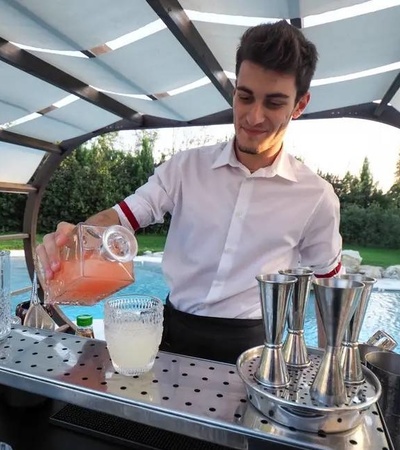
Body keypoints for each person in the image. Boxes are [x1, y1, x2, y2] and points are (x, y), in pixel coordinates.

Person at [37, 20, 342, 364]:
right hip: (174, 334)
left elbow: (329, 285)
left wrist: (333, 365)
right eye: (245, 97)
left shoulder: (316, 196)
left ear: (299, 105)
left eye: (274, 103)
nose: (254, 116)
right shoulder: (185, 168)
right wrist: (77, 238)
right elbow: (123, 216)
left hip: (256, 347)